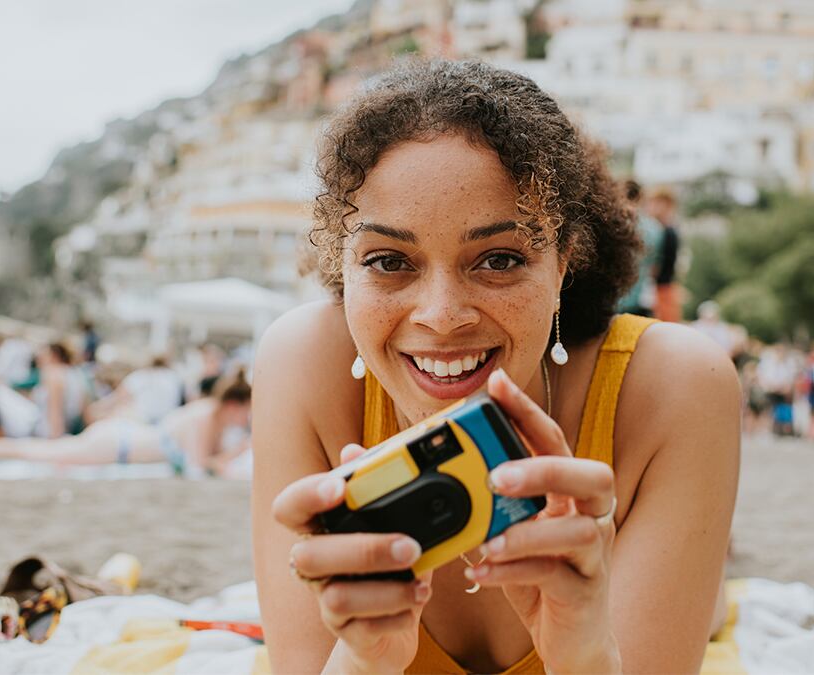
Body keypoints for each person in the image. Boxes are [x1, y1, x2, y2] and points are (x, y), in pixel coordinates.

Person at [251, 60, 739, 674]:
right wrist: (362, 661)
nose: (442, 315)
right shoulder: (301, 365)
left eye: (500, 259)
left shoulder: (676, 386)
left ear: (564, 263)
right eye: (388, 261)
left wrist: (585, 655)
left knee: (712, 603)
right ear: (341, 265)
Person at [0, 369, 252, 478]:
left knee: (37, 450)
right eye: (247, 410)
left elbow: (208, 464)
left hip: (119, 439)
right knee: (33, 452)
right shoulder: (205, 415)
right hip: (116, 444)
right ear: (235, 404)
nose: (248, 418)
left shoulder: (214, 419)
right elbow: (199, 469)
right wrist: (239, 451)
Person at [85, 356, 183, 424]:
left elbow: (116, 399)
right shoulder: (175, 378)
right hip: (167, 423)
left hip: (140, 422)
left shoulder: (139, 376)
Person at [616, 180, 662, 317]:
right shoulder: (655, 228)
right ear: (641, 197)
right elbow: (655, 268)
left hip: (613, 300)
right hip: (640, 298)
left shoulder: (614, 222)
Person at [31, 343, 89, 438]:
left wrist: (54, 441)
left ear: (53, 355)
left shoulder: (53, 374)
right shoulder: (76, 374)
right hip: (68, 430)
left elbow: (55, 412)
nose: (39, 358)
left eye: (43, 354)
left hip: (47, 435)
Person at [649, 188, 682, 323]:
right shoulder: (660, 230)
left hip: (662, 289)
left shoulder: (667, 232)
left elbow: (657, 266)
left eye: (658, 203)